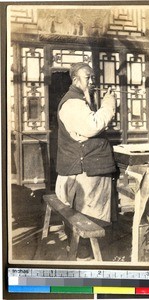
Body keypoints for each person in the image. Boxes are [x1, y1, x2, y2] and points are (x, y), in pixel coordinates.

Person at [55, 62, 117, 259]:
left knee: (83, 213)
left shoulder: (79, 99)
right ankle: (85, 258)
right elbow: (92, 126)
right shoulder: (73, 102)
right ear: (75, 80)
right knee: (89, 214)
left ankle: (83, 253)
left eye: (92, 77)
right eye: (87, 77)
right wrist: (109, 104)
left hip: (82, 169)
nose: (92, 81)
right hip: (85, 172)